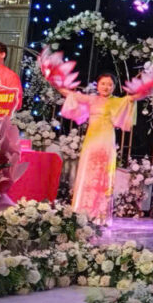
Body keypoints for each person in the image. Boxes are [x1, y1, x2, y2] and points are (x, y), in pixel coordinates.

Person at [58, 74, 138, 225]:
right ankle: (82, 212)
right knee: (87, 174)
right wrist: (55, 80)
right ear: (98, 85)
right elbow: (71, 95)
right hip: (91, 142)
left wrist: (146, 88)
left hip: (106, 142)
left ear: (114, 87)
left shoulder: (116, 101)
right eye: (103, 83)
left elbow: (132, 99)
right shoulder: (91, 99)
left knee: (103, 176)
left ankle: (101, 215)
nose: (106, 87)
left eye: (109, 84)